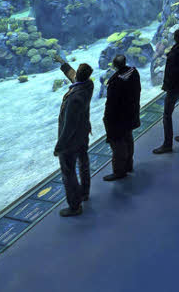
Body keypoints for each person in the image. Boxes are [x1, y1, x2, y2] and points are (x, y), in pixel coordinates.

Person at [53, 57, 94, 217]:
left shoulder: (75, 98)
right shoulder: (88, 85)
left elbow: (69, 126)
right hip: (83, 133)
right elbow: (73, 76)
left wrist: (59, 146)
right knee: (84, 162)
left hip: (72, 141)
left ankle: (75, 206)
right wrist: (63, 64)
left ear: (79, 75)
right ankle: (85, 192)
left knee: (68, 172)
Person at [153, 29, 179, 154]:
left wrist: (166, 86)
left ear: (175, 38)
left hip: (174, 88)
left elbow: (169, 73)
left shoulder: (174, 54)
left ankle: (167, 144)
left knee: (167, 115)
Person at [103, 53, 141, 181]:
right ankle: (129, 165)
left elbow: (111, 104)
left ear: (114, 66)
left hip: (118, 118)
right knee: (128, 139)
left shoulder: (115, 82)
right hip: (131, 113)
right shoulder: (134, 73)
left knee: (118, 144)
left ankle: (119, 171)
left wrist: (107, 119)